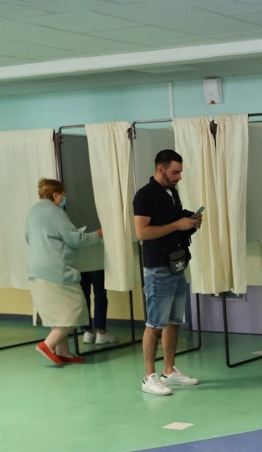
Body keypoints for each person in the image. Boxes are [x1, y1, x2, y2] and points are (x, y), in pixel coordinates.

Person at [133, 149, 202, 396]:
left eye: (180, 172)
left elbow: (172, 223)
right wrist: (177, 225)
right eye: (175, 172)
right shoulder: (145, 195)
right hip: (157, 268)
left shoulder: (171, 192)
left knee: (174, 321)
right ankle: (148, 376)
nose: (179, 177)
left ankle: (169, 370)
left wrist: (189, 222)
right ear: (160, 169)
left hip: (177, 264)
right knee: (155, 324)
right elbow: (142, 233)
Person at [26, 178, 103, 366]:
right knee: (75, 309)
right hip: (56, 270)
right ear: (55, 195)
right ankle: (47, 344)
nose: (64, 198)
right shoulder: (55, 212)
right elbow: (75, 240)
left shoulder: (33, 211)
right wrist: (97, 235)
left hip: (36, 269)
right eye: (63, 195)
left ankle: (63, 353)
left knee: (57, 314)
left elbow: (29, 238)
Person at [79, 268, 117, 345]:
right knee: (100, 293)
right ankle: (101, 332)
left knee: (83, 295)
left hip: (79, 261)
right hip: (95, 260)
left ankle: (88, 331)